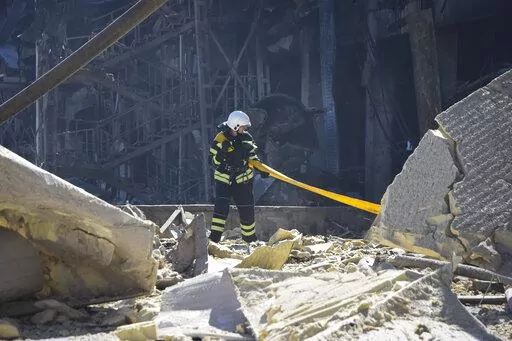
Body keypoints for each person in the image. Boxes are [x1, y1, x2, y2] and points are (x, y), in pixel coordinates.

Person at [208, 110, 269, 243]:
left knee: (247, 210)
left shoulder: (247, 138)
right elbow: (213, 161)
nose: (246, 129)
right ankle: (213, 240)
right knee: (221, 210)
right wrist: (221, 154)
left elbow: (253, 157)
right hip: (224, 180)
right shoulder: (220, 138)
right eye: (243, 127)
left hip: (243, 180)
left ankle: (250, 240)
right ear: (235, 126)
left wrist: (262, 169)